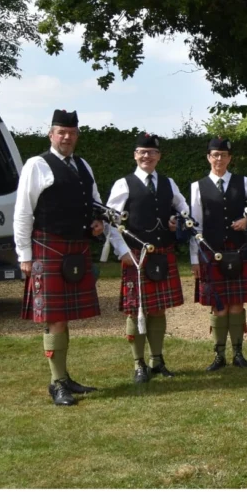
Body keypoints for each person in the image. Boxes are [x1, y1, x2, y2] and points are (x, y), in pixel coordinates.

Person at [14, 109, 105, 406]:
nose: (66, 137)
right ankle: (56, 384)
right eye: (61, 132)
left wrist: (97, 221)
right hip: (47, 247)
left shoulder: (83, 165)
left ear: (77, 135)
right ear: (51, 135)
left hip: (75, 249)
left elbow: (95, 203)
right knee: (54, 319)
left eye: (72, 132)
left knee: (63, 319)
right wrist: (24, 255)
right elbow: (23, 212)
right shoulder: (36, 165)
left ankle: (64, 378)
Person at [104, 132, 190, 383]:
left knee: (159, 310)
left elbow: (185, 209)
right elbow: (110, 220)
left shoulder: (168, 183)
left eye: (152, 152)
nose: (147, 156)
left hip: (162, 253)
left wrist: (178, 220)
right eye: (142, 152)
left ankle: (157, 360)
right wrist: (122, 251)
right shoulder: (124, 184)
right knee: (135, 310)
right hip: (136, 255)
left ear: (159, 156)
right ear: (135, 155)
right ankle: (138, 363)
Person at [189, 137, 247, 370]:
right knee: (218, 305)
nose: (219, 159)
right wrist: (195, 258)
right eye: (215, 155)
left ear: (230, 158)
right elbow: (195, 226)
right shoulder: (198, 186)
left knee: (236, 303)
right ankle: (219, 356)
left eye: (223, 155)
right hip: (212, 252)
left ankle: (238, 353)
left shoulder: (243, 182)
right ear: (208, 157)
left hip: (240, 250)